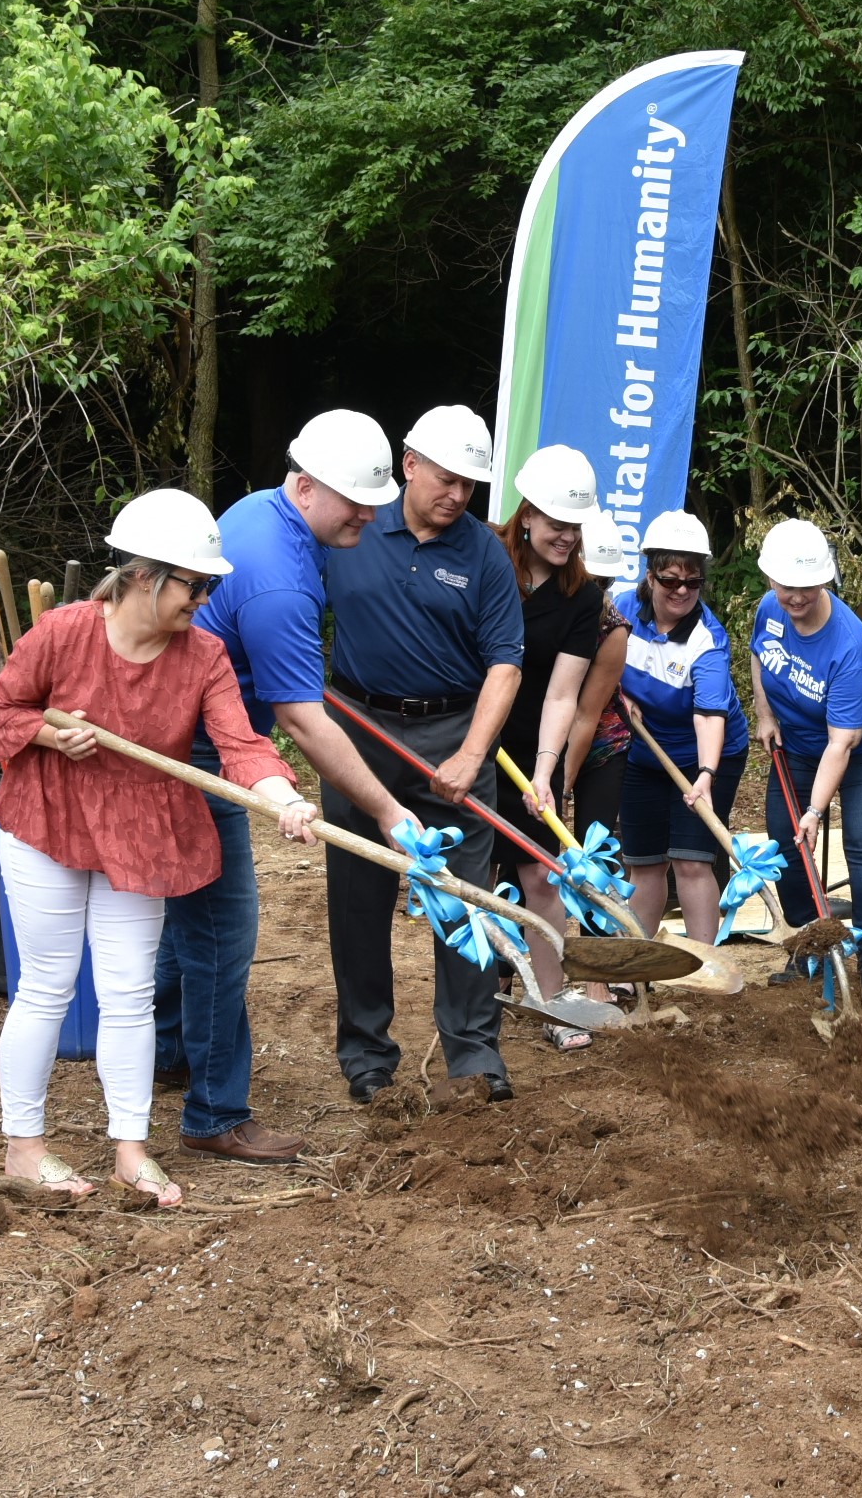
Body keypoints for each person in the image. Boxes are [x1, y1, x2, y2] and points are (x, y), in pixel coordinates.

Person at [0, 489, 319, 1207]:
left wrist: (285, 798)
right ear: (143, 575)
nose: (203, 599)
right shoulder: (64, 633)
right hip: (50, 817)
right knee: (46, 985)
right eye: (194, 585)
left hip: (139, 831)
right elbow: (4, 707)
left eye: (210, 586)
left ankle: (130, 1153)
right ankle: (24, 1149)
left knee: (130, 993)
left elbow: (240, 743)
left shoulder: (203, 657)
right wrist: (51, 733)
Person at [155, 411, 419, 1165]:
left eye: (374, 499)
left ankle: (170, 1051)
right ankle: (214, 1112)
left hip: (188, 729)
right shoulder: (278, 584)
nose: (369, 515)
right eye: (353, 501)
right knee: (221, 931)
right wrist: (388, 809)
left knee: (186, 917)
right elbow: (302, 721)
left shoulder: (258, 513)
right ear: (305, 486)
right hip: (207, 751)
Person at [323, 404, 524, 1103]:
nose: (459, 495)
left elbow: (505, 665)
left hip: (450, 735)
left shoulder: (485, 554)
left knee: (464, 897)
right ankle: (367, 1054)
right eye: (447, 479)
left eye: (471, 484)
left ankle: (473, 1053)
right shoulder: (350, 527)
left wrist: (473, 754)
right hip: (355, 728)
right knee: (358, 895)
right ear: (408, 465)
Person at [748, 519, 862, 1002]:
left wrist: (816, 811)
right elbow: (760, 656)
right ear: (771, 580)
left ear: (825, 580)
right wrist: (764, 712)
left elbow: (843, 744)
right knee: (785, 838)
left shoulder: (850, 645)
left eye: (807, 585)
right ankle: (810, 947)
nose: (795, 596)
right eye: (785, 585)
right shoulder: (768, 609)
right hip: (797, 738)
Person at [492, 444, 607, 1045]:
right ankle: (475, 1007)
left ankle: (557, 1003)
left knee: (541, 873)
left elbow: (564, 695)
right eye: (558, 524)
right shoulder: (486, 558)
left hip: (532, 744)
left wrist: (546, 773)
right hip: (466, 736)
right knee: (467, 874)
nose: (567, 537)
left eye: (576, 526)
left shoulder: (582, 596)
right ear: (528, 513)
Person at [617, 511, 750, 949]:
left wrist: (706, 776)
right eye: (670, 579)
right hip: (645, 751)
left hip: (708, 755)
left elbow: (710, 714)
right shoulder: (619, 612)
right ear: (649, 575)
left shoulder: (707, 640)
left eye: (691, 582)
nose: (680, 591)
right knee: (644, 863)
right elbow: (590, 663)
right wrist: (612, 691)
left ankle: (704, 965)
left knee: (691, 860)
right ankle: (635, 968)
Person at [562, 513, 634, 837]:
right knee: (528, 854)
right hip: (543, 737)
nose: (598, 590)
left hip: (602, 743)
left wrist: (563, 786)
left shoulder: (613, 628)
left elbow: (585, 715)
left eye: (605, 582)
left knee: (595, 852)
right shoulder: (545, 609)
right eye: (591, 581)